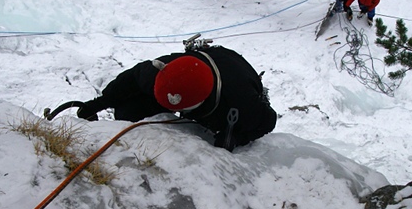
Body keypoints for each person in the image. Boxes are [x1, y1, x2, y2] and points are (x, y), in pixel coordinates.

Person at [72, 42, 277, 152]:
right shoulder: (166, 72)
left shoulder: (242, 105)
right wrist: (97, 104)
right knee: (128, 111)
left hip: (234, 81)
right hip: (199, 72)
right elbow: (130, 81)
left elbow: (268, 122)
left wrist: (237, 137)